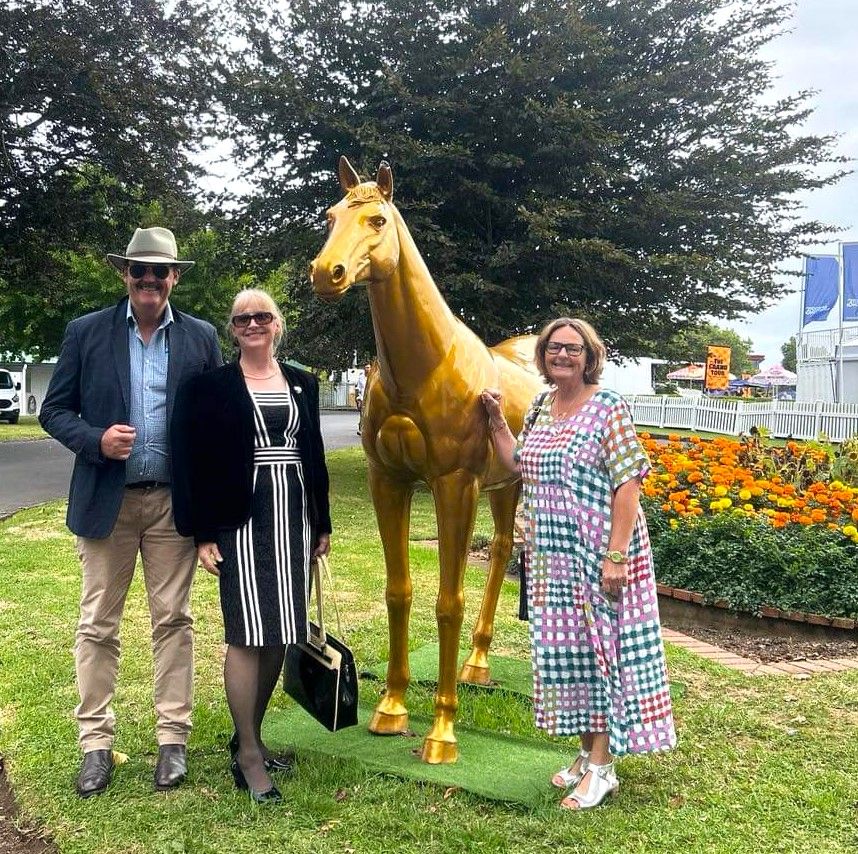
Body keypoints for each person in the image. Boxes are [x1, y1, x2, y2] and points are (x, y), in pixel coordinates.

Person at [39, 227, 223, 798]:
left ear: (176, 277)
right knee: (98, 624)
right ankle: (96, 746)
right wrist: (96, 440)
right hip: (107, 503)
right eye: (139, 271)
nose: (149, 281)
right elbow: (54, 411)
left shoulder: (201, 338)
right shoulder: (86, 333)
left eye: (159, 272)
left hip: (173, 503)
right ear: (125, 275)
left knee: (175, 621)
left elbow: (216, 423)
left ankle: (173, 741)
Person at [481, 317, 675, 810]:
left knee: (603, 655)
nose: (561, 355)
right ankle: (588, 752)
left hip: (598, 552)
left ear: (590, 356)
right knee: (569, 656)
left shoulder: (608, 406)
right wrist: (497, 422)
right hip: (551, 558)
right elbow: (520, 464)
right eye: (553, 348)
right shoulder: (543, 407)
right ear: (543, 355)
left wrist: (616, 556)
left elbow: (629, 482)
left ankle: (603, 767)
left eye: (572, 348)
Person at [171, 288, 332, 804]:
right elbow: (189, 462)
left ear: (277, 324)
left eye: (262, 316)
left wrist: (322, 524)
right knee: (246, 633)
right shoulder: (209, 388)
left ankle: (251, 738)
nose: (253, 323)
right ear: (232, 328)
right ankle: (247, 757)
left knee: (283, 630)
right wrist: (201, 534)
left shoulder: (303, 384)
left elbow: (316, 458)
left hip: (295, 518)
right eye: (242, 318)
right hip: (240, 520)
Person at [354, 363, 370, 435]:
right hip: (362, 398)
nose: (368, 369)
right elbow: (358, 388)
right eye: (367, 367)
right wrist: (357, 399)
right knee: (363, 414)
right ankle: (361, 429)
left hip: (370, 398)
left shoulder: (372, 377)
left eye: (369, 367)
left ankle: (367, 429)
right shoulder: (361, 377)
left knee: (369, 414)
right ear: (364, 368)